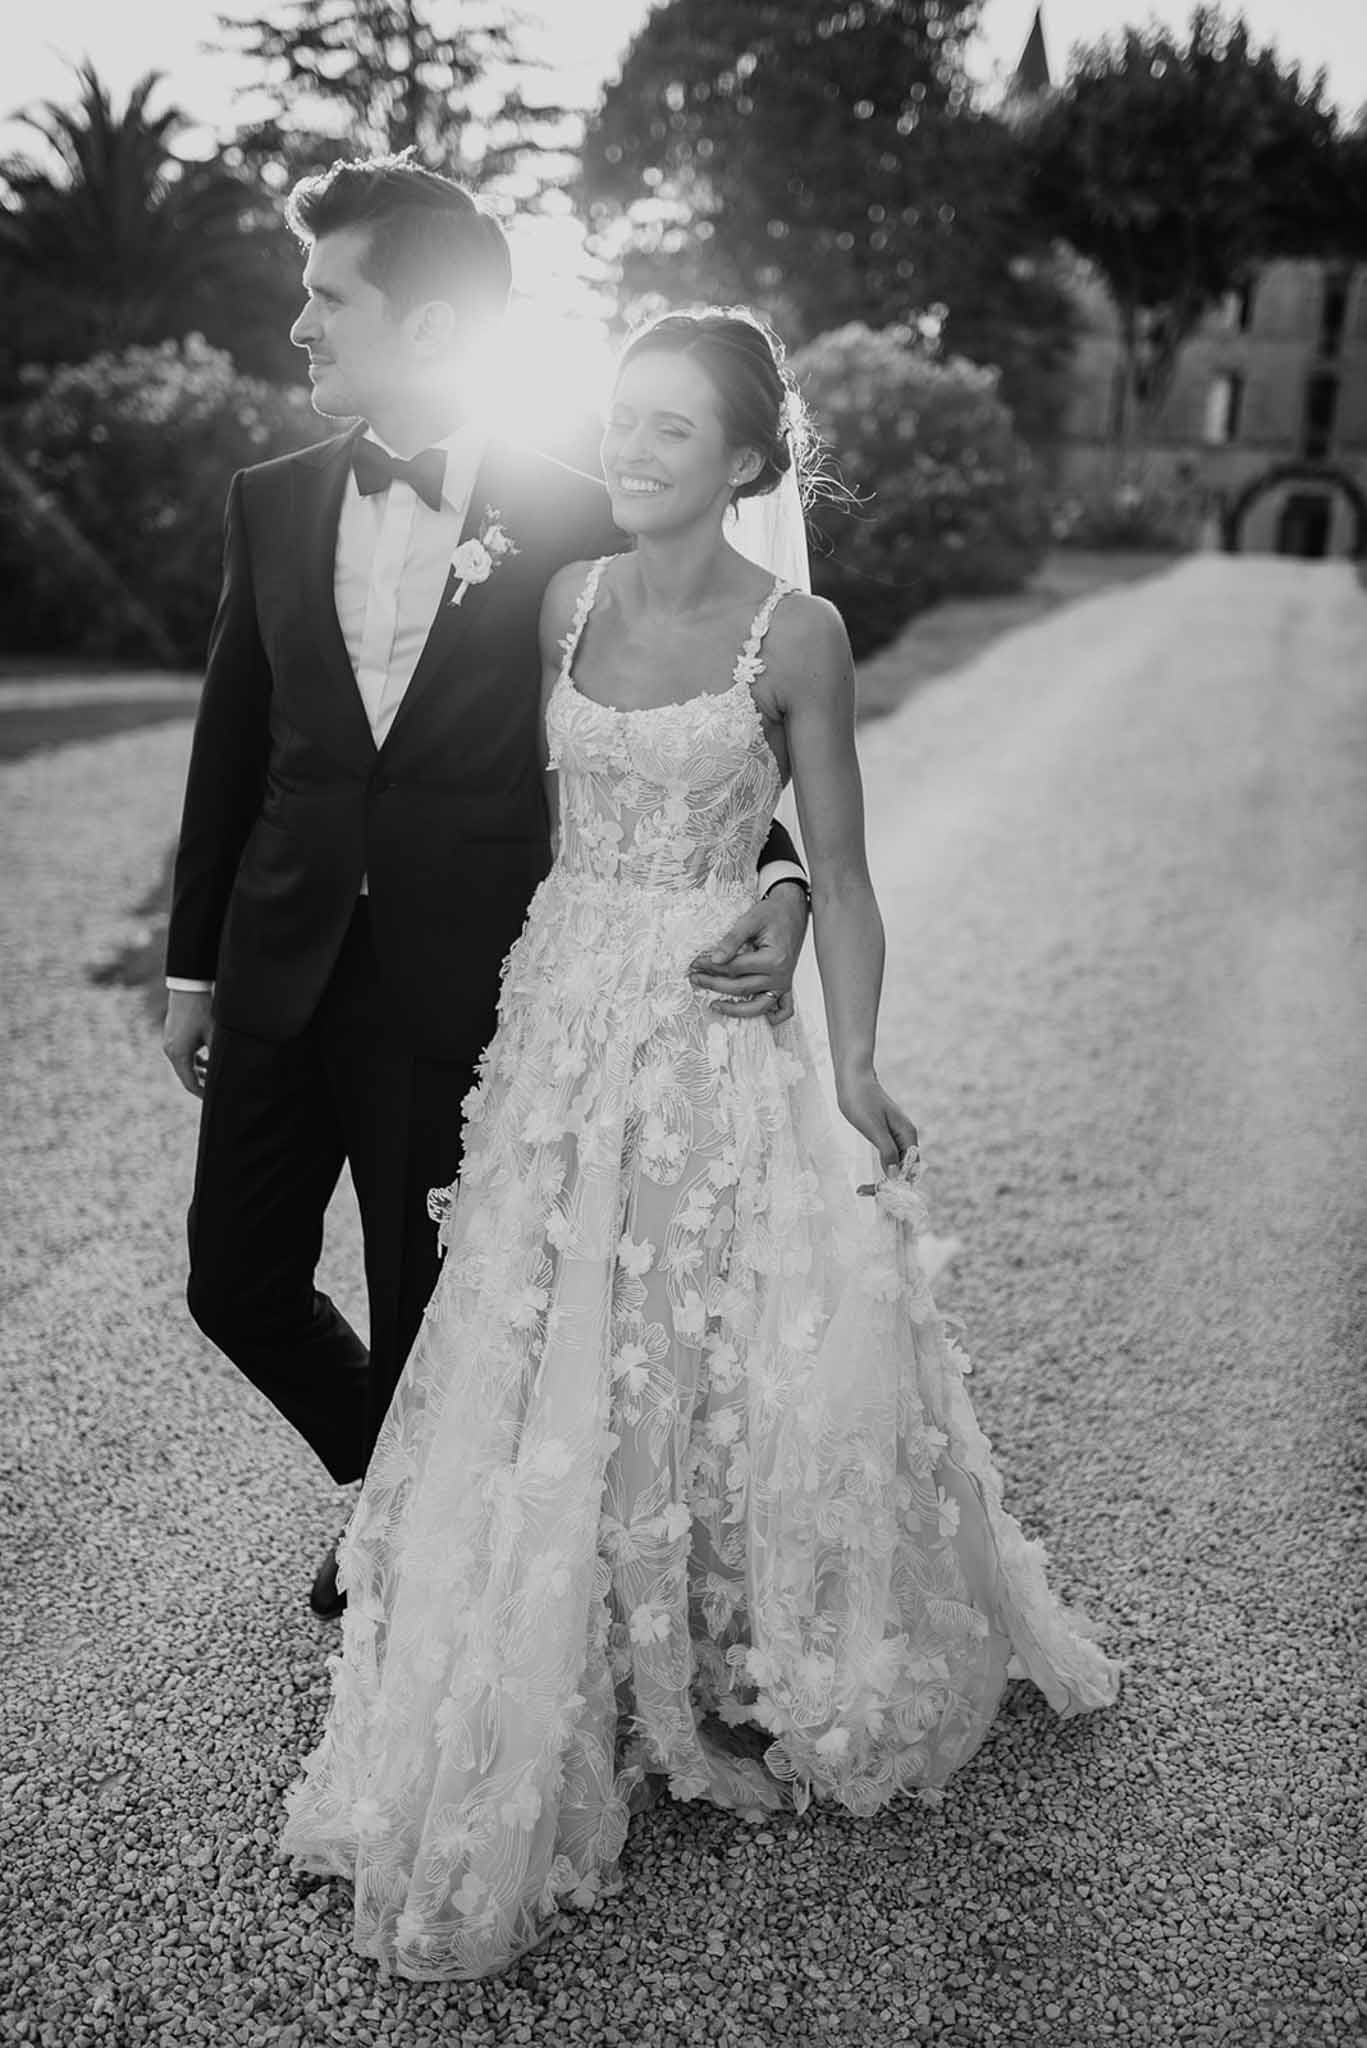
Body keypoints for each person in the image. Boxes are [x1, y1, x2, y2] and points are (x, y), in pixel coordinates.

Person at [280, 308, 1121, 1981]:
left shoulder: (798, 633)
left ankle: (708, 1615)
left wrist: (848, 1034)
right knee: (542, 1315)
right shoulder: (559, 599)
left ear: (747, 458)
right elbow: (494, 812)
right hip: (556, 1011)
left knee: (693, 1323)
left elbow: (844, 864)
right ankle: (568, 1610)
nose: (634, 444)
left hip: (707, 1025)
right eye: (623, 414)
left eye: (675, 425)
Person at [162, 159, 810, 1617]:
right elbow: (230, 745)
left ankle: (412, 1546)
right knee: (234, 1283)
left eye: (328, 297)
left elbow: (702, 728)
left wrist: (787, 879)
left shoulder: (581, 515)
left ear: (433, 325)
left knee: (428, 1290)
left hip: (466, 975)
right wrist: (193, 969)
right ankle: (408, 1482)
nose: (301, 326)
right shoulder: (270, 502)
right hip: (279, 958)